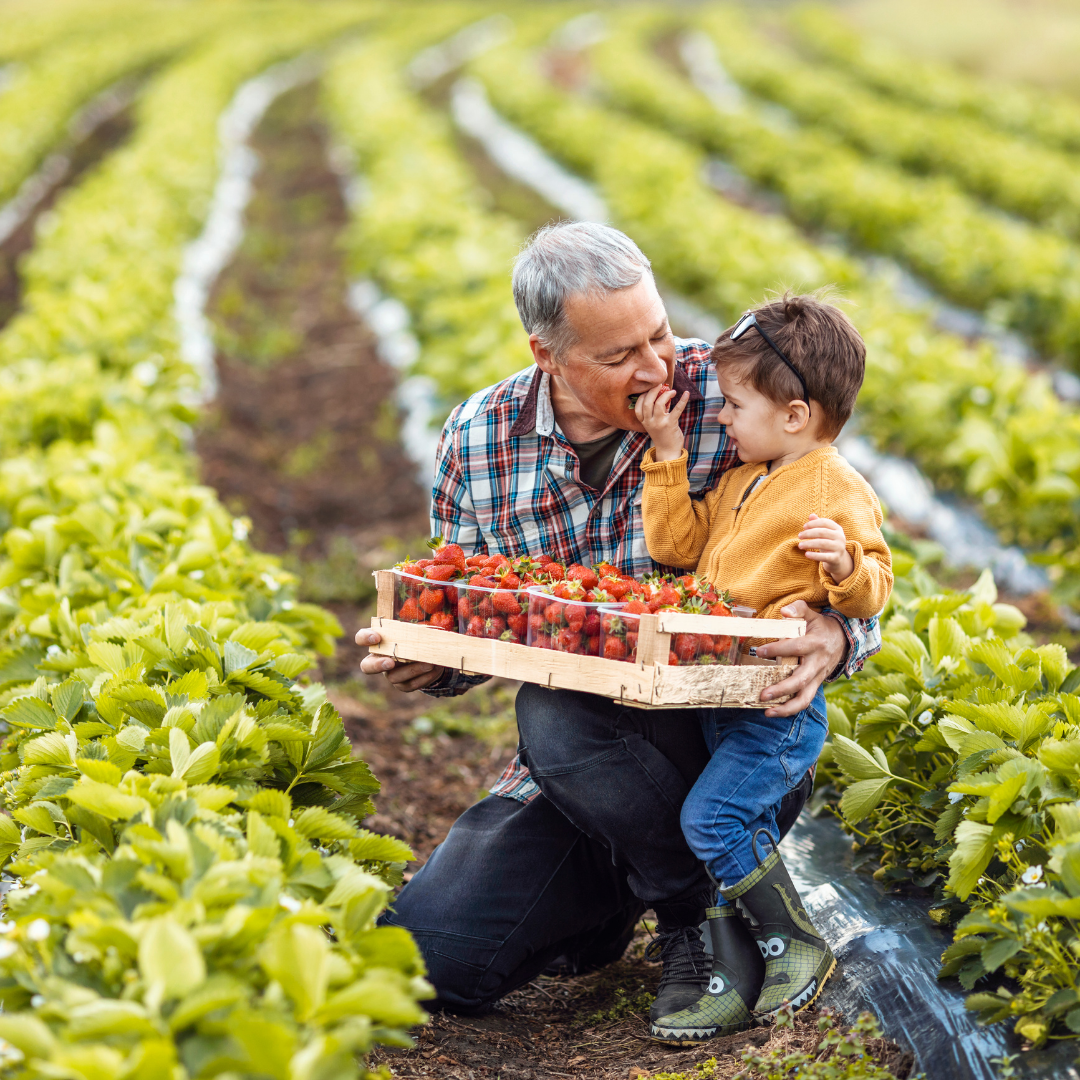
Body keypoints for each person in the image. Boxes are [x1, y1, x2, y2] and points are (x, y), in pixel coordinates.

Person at [353, 223, 882, 1031]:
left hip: (714, 740)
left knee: (550, 706)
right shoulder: (479, 440)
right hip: (574, 773)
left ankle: (689, 926)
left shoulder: (738, 394)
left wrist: (841, 635)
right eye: (618, 356)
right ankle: (623, 897)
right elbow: (475, 609)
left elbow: (852, 549)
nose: (658, 366)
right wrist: (430, 657)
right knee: (427, 963)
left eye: (660, 332)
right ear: (547, 356)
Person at [634, 292, 892, 1042]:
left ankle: (797, 943)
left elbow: (876, 585)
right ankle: (736, 972)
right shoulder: (747, 479)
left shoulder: (835, 488)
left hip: (777, 706)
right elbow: (679, 550)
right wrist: (670, 457)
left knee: (710, 820)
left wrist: (842, 566)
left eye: (733, 405)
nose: (721, 417)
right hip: (722, 696)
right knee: (725, 829)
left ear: (794, 414)